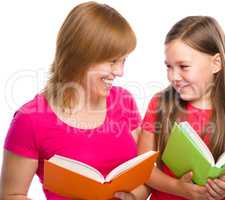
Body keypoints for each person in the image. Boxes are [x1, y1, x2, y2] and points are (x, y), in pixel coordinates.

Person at [0, 2, 149, 200]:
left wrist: (132, 198)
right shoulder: (30, 120)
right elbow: (11, 195)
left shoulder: (124, 100)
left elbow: (146, 178)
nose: (120, 72)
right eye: (112, 61)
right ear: (80, 56)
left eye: (123, 60)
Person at [138, 16, 225, 200]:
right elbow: (143, 169)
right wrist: (178, 188)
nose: (174, 76)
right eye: (169, 67)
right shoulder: (160, 104)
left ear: (216, 63)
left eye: (183, 66)